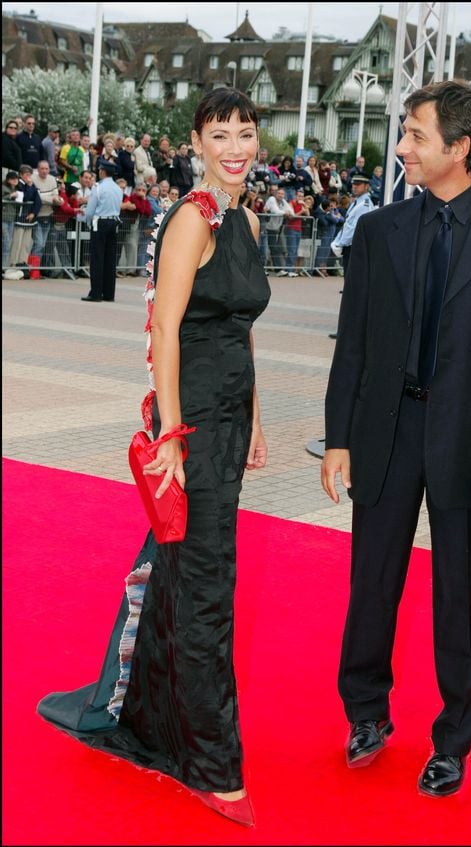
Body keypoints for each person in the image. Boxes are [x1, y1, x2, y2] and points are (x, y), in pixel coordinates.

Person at [37, 87, 270, 828]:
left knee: (185, 569)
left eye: (246, 131)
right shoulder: (192, 220)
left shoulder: (251, 220)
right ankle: (210, 761)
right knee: (204, 587)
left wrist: (258, 420)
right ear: (198, 142)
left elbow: (243, 330)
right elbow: (165, 329)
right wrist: (171, 435)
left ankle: (149, 716)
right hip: (193, 424)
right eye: (220, 133)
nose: (236, 145)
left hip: (230, 421)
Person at [321, 80, 471, 797]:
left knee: (461, 595)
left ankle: (454, 737)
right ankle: (365, 711)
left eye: (416, 135)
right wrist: (339, 438)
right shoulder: (378, 231)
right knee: (372, 585)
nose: (402, 147)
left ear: (460, 149)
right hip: (385, 434)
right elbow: (353, 347)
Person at [80, 159, 123, 301]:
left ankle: (96, 293)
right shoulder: (118, 188)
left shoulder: (98, 187)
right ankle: (109, 293)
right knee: (110, 259)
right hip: (114, 222)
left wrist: (87, 221)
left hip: (100, 223)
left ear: (103, 171)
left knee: (97, 258)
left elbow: (91, 210)